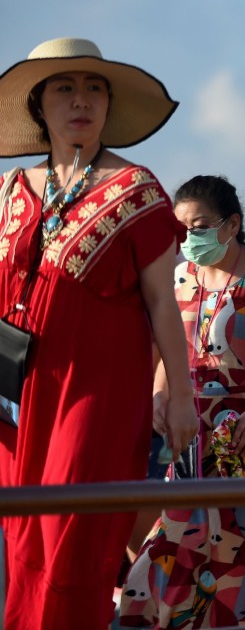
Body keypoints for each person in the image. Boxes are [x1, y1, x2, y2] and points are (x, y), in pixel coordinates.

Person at [0, 37, 197, 630]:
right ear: (39, 106)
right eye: (64, 87)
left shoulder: (138, 189)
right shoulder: (11, 190)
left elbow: (165, 303)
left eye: (94, 88)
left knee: (71, 538)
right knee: (22, 542)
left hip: (98, 393)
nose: (80, 100)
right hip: (15, 395)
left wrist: (181, 395)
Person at [119, 175, 245, 627]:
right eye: (182, 227)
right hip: (193, 431)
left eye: (200, 225)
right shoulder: (178, 277)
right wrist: (158, 396)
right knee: (173, 540)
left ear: (231, 225)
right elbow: (169, 354)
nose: (190, 236)